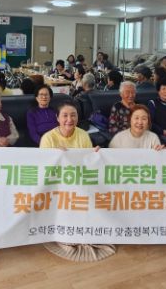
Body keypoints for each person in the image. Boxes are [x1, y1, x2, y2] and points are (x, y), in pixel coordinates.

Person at [40, 102, 116, 261]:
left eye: (73, 115)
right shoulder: (48, 138)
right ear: (57, 118)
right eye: (65, 115)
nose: (69, 119)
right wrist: (56, 156)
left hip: (80, 181)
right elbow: (45, 169)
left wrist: (95, 155)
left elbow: (87, 163)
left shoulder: (82, 135)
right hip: (58, 184)